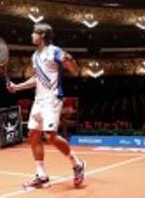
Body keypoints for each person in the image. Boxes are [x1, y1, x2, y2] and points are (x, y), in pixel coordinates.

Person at [8, 23, 86, 189]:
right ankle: (41, 175)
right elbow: (37, 79)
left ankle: (77, 164)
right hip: (39, 99)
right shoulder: (35, 56)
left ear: (42, 35)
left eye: (34, 33)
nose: (31, 36)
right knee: (33, 135)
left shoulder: (55, 51)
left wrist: (69, 61)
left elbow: (74, 69)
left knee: (50, 135)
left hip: (52, 98)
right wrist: (17, 87)